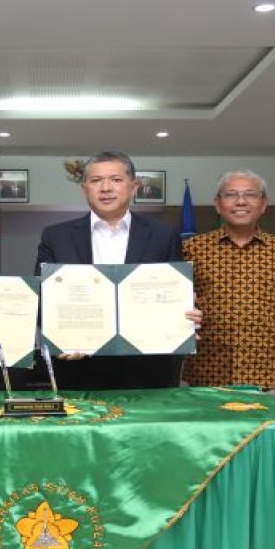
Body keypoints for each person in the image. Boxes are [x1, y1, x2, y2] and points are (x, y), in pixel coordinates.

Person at [34, 150, 192, 389]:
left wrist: (184, 314)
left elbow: (173, 295)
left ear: (134, 186)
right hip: (78, 367)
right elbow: (42, 298)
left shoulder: (164, 235)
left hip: (147, 367)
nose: (106, 188)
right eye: (96, 180)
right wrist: (60, 337)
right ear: (84, 188)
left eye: (116, 180)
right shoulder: (56, 236)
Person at [182, 171, 275, 398]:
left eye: (250, 194)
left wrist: (264, 332)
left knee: (272, 423)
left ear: (264, 204)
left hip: (272, 369)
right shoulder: (193, 249)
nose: (241, 201)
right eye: (231, 194)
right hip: (208, 367)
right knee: (208, 423)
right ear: (217, 204)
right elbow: (179, 304)